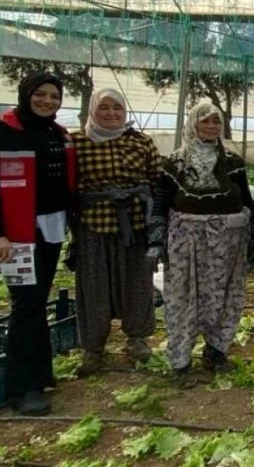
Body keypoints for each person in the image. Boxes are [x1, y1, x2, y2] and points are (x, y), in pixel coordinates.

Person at [0, 72, 76, 416]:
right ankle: (22, 387)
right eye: (40, 94)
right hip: (14, 236)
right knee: (26, 304)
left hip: (50, 227)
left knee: (38, 298)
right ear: (25, 94)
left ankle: (41, 373)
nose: (47, 101)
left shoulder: (57, 134)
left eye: (54, 96)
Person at [150, 103, 254, 386]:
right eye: (205, 122)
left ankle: (216, 352)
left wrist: (253, 235)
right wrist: (156, 240)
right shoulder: (175, 163)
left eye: (215, 122)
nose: (211, 127)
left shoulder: (233, 162)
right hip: (187, 242)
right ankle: (180, 363)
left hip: (228, 242)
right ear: (192, 125)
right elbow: (161, 203)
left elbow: (246, 199)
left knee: (224, 295)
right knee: (183, 297)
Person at [71, 88, 162, 376]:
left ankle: (137, 340)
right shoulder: (76, 142)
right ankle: (93, 348)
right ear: (92, 111)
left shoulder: (141, 142)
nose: (111, 113)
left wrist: (158, 223)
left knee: (138, 282)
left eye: (117, 108)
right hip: (93, 223)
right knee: (93, 286)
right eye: (104, 108)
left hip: (134, 224)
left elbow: (157, 182)